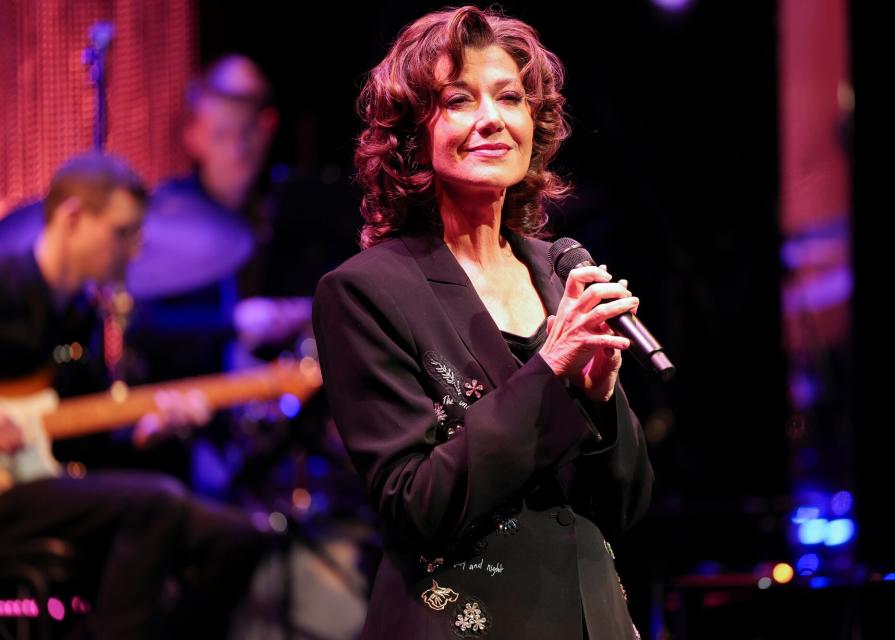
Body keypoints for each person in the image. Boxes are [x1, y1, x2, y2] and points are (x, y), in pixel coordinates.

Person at [312, 6, 654, 639]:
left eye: (511, 98)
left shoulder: (559, 272)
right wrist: (551, 371)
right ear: (413, 134)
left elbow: (625, 507)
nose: (492, 119)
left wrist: (599, 400)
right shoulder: (365, 292)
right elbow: (414, 503)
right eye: (459, 100)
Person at [0, 152, 264, 639]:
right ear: (72, 217)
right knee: (154, 505)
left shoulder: (82, 318)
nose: (134, 251)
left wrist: (148, 432)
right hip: (9, 494)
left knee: (238, 538)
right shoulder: (7, 283)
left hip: (49, 478)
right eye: (122, 233)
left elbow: (88, 443)